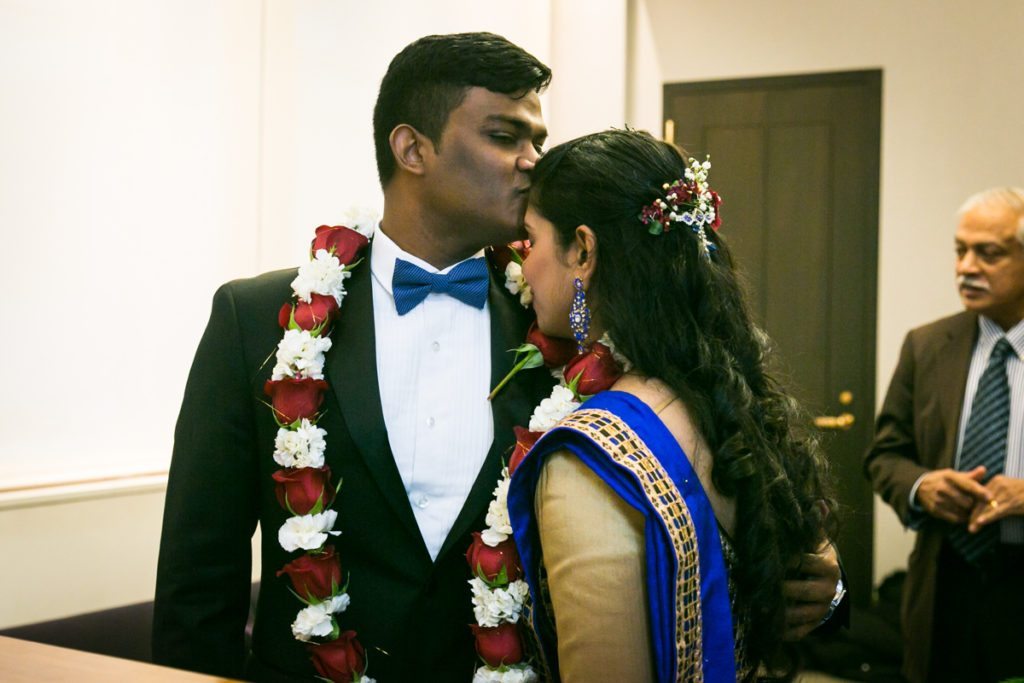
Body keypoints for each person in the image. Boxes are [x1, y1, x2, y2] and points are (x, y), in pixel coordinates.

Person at [153, 33, 843, 683]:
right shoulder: (256, 320)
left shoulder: (574, 323)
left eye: (537, 138)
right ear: (412, 149)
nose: (534, 160)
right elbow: (197, 584)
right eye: (505, 135)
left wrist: (821, 577)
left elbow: (717, 447)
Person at [506, 129, 837, 682]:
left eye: (531, 240)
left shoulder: (592, 458)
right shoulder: (724, 396)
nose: (524, 265)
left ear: (583, 250)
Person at [865, 187, 1024, 683]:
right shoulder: (928, 346)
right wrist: (922, 487)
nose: (966, 267)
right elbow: (885, 454)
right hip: (943, 586)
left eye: (988, 253)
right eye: (960, 250)